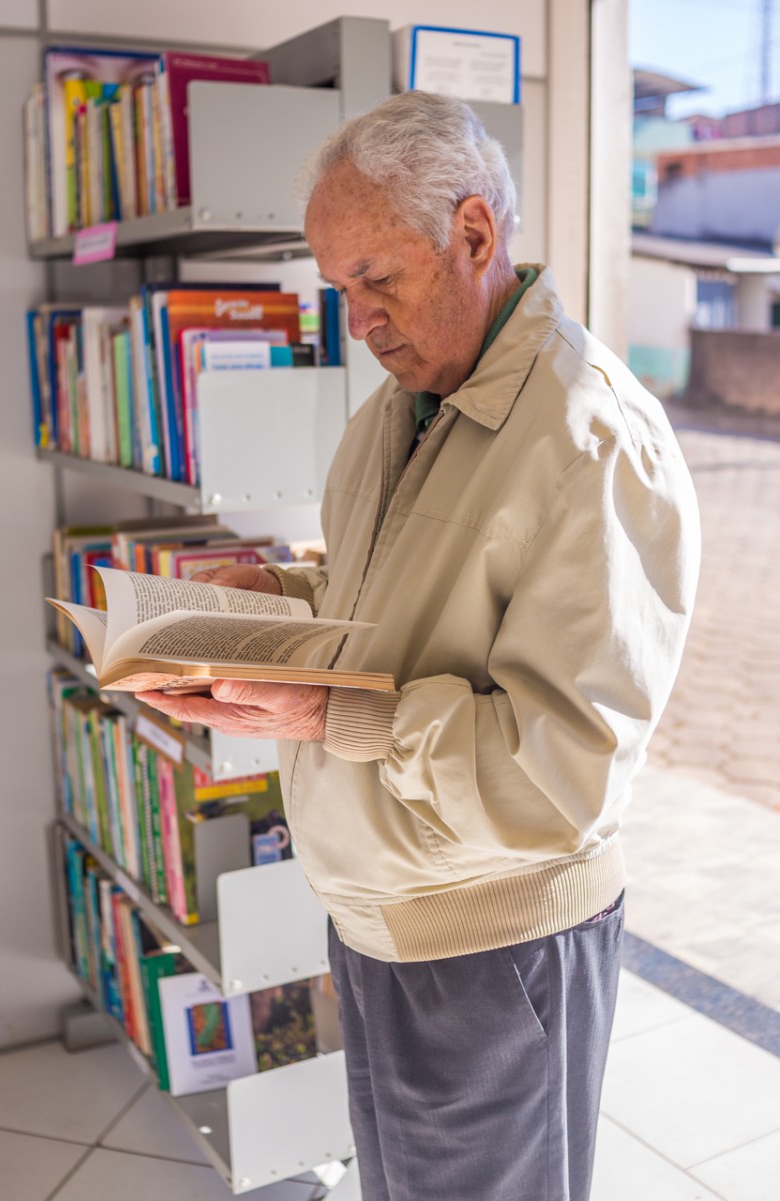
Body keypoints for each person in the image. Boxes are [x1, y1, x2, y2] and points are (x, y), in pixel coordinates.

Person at [138, 91, 701, 1201]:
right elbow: (390, 602)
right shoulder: (396, 410)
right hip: (380, 927)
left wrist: (330, 710)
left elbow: (562, 770)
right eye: (337, 288)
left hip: (494, 950)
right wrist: (276, 600)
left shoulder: (590, 435)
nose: (357, 319)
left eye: (375, 278)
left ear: (474, 233)